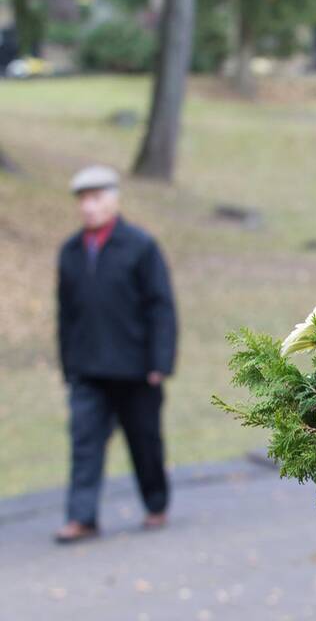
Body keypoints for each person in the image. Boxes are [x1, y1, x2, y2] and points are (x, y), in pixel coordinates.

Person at [55, 165, 178, 543]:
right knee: (84, 443)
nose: (88, 207)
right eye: (83, 201)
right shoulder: (71, 251)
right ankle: (82, 517)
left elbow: (161, 307)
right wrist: (68, 365)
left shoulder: (140, 246)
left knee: (144, 441)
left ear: (113, 200)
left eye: (96, 199)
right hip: (88, 370)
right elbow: (66, 313)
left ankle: (156, 504)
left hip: (136, 369)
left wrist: (160, 362)